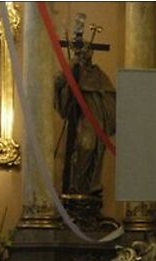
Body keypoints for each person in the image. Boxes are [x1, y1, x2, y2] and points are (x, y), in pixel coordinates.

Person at [53, 16, 115, 197]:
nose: (86, 53)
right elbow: (57, 84)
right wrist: (71, 66)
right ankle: (77, 187)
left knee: (96, 153)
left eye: (88, 50)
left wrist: (104, 104)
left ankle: (90, 189)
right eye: (82, 50)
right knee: (83, 148)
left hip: (98, 122)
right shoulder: (73, 71)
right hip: (82, 121)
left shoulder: (97, 74)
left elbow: (110, 96)